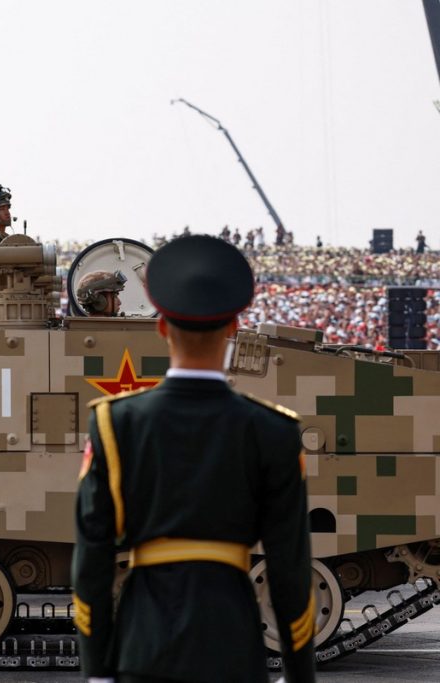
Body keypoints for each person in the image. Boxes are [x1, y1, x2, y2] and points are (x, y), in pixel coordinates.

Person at [73, 234, 315, 683]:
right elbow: (290, 571)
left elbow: (91, 563)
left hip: (143, 650)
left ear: (162, 328)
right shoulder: (274, 430)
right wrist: (300, 675)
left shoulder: (115, 423)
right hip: (234, 649)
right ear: (234, 326)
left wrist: (98, 673)